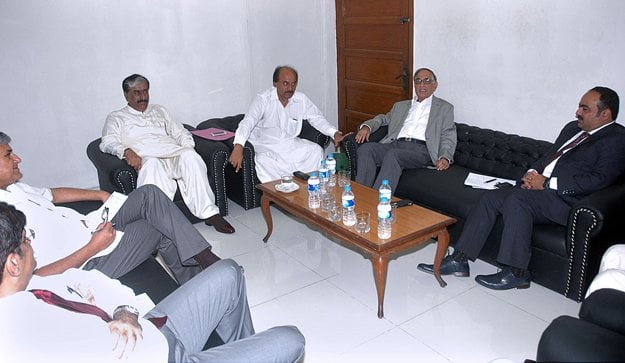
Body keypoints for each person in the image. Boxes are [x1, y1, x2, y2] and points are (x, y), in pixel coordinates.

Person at [0, 201, 306, 362]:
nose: (32, 246)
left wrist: (124, 311)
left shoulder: (38, 286)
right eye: (26, 240)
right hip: (161, 358)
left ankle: (238, 349)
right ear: (13, 263)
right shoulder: (18, 340)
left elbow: (97, 282)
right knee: (291, 339)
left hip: (151, 326)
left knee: (228, 272)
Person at [418, 86, 625, 290]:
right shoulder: (573, 128)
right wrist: (533, 172)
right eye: (579, 106)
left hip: (568, 201)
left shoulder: (616, 140)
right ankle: (459, 260)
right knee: (491, 197)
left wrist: (546, 183)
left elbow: (600, 180)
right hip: (542, 189)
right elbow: (550, 156)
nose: (578, 112)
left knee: (517, 200)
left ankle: (517, 272)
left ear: (605, 114)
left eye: (585, 108)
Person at [0, 132, 220, 284]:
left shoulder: (15, 189)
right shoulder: (4, 223)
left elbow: (52, 193)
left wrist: (99, 194)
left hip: (91, 227)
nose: (17, 159)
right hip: (87, 260)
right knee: (159, 226)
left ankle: (203, 256)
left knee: (149, 194)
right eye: (8, 155)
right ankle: (200, 280)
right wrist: (93, 247)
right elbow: (32, 279)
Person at [100, 74, 234, 234]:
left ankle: (210, 214)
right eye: (137, 93)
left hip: (173, 154)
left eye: (145, 91)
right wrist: (126, 151)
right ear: (126, 95)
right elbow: (107, 142)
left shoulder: (159, 110)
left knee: (191, 157)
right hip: (148, 159)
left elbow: (180, 132)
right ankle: (155, 224)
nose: (143, 97)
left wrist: (187, 147)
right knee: (152, 165)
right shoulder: (116, 118)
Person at [338, 68, 456, 192]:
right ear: (414, 84)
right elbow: (383, 119)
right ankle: (360, 196)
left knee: (393, 155)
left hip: (422, 150)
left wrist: (445, 157)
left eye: (427, 81)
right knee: (366, 149)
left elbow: (448, 134)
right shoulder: (401, 106)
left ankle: (377, 203)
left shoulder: (444, 108)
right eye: (418, 81)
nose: (422, 85)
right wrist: (367, 127)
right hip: (396, 144)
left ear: (435, 85)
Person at [229, 65, 343, 182]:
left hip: (289, 143)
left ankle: (305, 186)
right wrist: (239, 146)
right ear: (275, 83)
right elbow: (248, 121)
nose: (290, 88)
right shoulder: (263, 100)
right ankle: (280, 192)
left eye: (293, 84)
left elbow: (316, 118)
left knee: (315, 151)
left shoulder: (301, 99)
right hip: (265, 145)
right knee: (263, 161)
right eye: (285, 83)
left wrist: (333, 133)